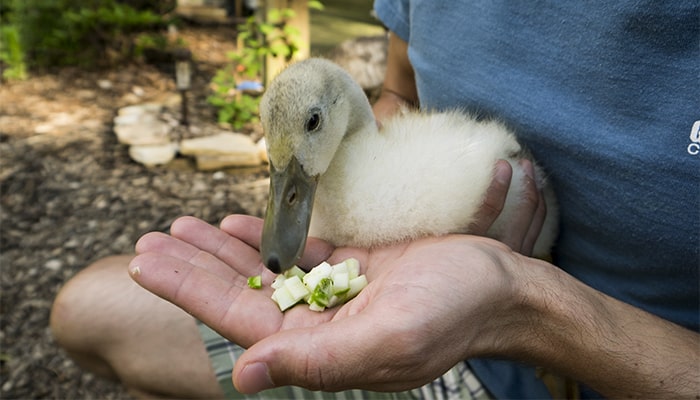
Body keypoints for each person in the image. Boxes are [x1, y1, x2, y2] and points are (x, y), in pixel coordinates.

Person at [50, 1, 699, 399]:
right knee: (89, 313)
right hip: (427, 302)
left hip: (627, 361)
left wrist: (528, 307)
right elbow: (397, 99)